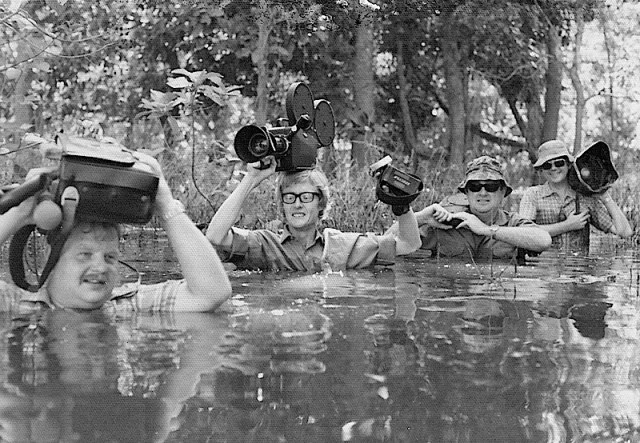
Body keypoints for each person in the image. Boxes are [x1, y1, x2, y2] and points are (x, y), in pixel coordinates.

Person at [0, 153, 232, 313]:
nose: (100, 268)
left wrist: (165, 203)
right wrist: (20, 213)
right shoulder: (18, 306)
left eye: (110, 257)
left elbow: (212, 293)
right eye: (84, 254)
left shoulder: (127, 307)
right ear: (49, 260)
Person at [205, 156, 420, 272]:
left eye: (306, 197)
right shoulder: (265, 244)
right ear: (282, 204)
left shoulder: (343, 245)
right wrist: (251, 179)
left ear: (320, 203)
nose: (297, 204)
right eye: (289, 197)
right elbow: (215, 236)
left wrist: (401, 205)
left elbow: (409, 244)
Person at [407, 155, 552, 260]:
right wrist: (420, 217)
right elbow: (389, 244)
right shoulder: (445, 222)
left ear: (502, 192)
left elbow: (544, 240)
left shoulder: (513, 223)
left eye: (491, 186)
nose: (483, 193)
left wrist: (486, 230)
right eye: (475, 186)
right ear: (467, 193)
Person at [518, 139, 632, 251]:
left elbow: (625, 232)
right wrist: (567, 225)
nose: (553, 168)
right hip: (543, 266)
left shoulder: (586, 197)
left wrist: (605, 196)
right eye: (547, 165)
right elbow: (524, 232)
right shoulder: (533, 195)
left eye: (559, 163)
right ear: (541, 170)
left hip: (579, 267)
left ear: (568, 164)